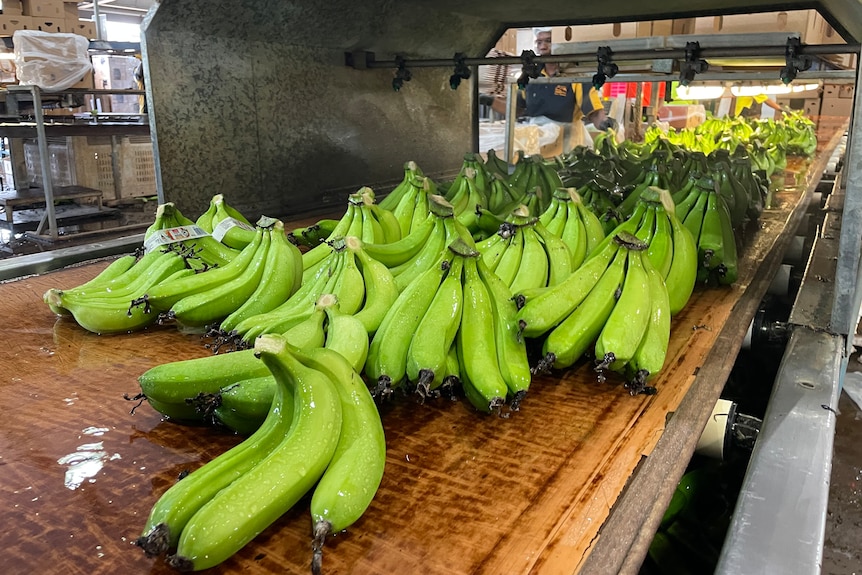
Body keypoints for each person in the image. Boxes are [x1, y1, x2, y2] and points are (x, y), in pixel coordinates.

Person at [492, 27, 611, 153]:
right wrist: (489, 101)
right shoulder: (532, 77)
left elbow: (593, 112)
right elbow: (515, 109)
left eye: (548, 41)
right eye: (539, 42)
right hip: (536, 144)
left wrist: (605, 124)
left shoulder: (574, 76)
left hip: (567, 146)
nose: (543, 47)